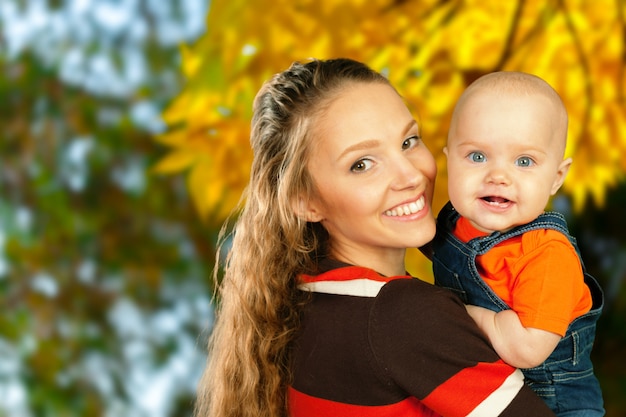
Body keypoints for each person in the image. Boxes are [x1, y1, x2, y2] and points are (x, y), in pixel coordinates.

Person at [194, 58, 556, 417]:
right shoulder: (404, 315)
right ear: (305, 201)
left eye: (408, 141)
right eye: (362, 164)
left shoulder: (296, 300)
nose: (410, 175)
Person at [431, 71, 604, 416]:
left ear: (556, 177)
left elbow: (527, 349)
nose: (498, 176)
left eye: (524, 162)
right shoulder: (455, 222)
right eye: (477, 156)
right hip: (485, 386)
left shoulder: (546, 255)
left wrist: (455, 315)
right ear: (449, 160)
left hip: (551, 398)